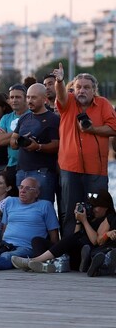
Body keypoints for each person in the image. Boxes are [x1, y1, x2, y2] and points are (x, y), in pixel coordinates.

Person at [52, 63, 116, 235]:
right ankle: (68, 254)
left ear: (94, 90)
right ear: (73, 89)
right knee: (69, 211)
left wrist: (92, 129)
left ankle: (94, 250)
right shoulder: (68, 102)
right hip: (70, 168)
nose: (82, 91)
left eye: (86, 87)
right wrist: (59, 81)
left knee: (97, 211)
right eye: (78, 87)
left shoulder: (103, 104)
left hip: (96, 170)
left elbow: (113, 128)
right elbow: (61, 96)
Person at [11, 190, 115, 274]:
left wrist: (84, 221)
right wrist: (79, 221)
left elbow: (95, 241)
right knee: (37, 240)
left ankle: (35, 261)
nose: (93, 209)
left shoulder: (108, 219)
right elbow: (77, 234)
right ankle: (44, 265)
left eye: (96, 206)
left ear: (105, 206)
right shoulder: (90, 218)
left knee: (71, 239)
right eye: (92, 206)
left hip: (85, 253)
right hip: (73, 249)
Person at [0, 177, 60, 271]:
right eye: (21, 187)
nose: (22, 191)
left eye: (28, 188)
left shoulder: (45, 205)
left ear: (36, 193)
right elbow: (4, 227)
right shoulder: (11, 201)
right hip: (6, 244)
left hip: (26, 247)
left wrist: (53, 254)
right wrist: (2, 241)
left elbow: (53, 233)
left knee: (8, 256)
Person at [11, 83, 60, 203]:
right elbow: (13, 142)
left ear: (44, 99)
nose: (29, 101)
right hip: (22, 171)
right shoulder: (24, 118)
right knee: (24, 210)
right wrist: (20, 140)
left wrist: (38, 146)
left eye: (33, 97)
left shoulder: (53, 119)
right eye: (28, 97)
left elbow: (57, 145)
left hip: (42, 173)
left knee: (43, 208)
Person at [0, 84, 30, 175]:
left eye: (18, 97)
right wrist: (19, 132)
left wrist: (6, 136)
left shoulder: (32, 115)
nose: (14, 100)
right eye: (12, 97)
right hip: (12, 165)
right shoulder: (5, 118)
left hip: (30, 165)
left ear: (26, 98)